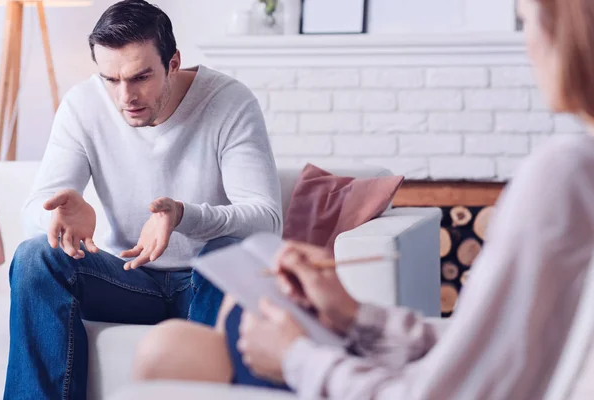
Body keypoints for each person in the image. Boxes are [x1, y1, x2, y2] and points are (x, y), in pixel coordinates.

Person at [132, 0, 594, 398]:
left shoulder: (567, 176)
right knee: (177, 346)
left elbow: (444, 392)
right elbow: (479, 352)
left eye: (527, 19)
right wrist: (356, 319)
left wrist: (295, 356)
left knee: (170, 352)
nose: (528, 44)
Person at [3, 0, 282, 398]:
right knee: (35, 256)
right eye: (111, 80)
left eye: (140, 77)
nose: (125, 97)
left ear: (173, 62)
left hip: (204, 283)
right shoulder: (83, 106)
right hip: (128, 280)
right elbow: (36, 207)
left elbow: (267, 220)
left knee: (226, 252)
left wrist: (184, 215)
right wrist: (60, 219)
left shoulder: (229, 102)